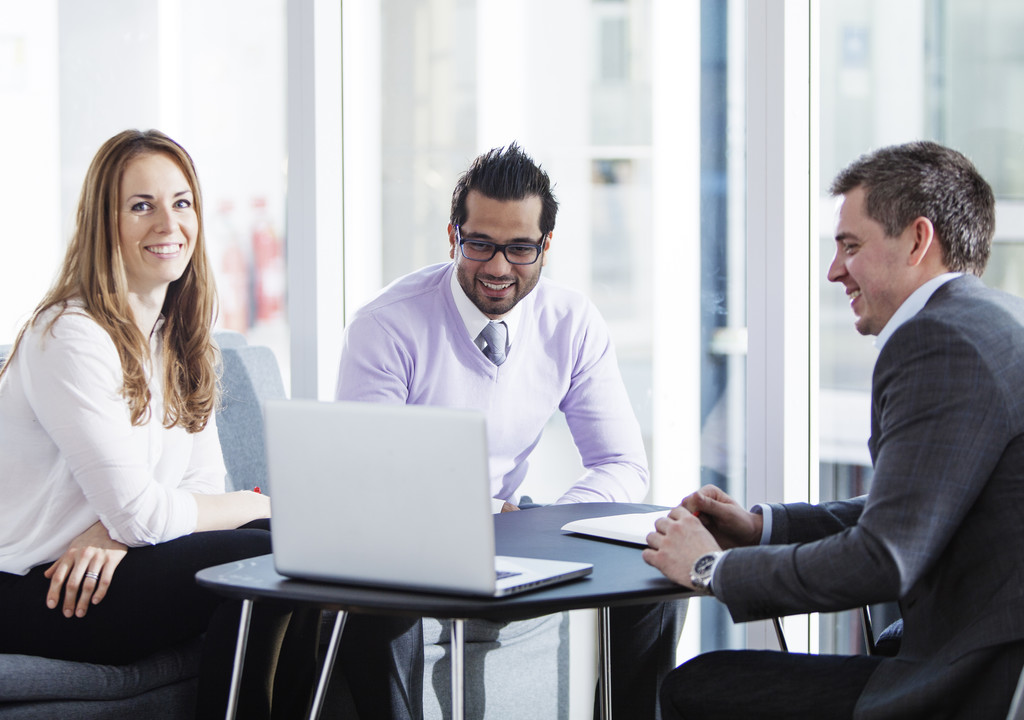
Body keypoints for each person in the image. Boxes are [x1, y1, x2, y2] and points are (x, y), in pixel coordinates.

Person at [644, 141, 1024, 719]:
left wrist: (710, 568)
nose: (834, 270)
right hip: (979, 652)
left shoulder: (939, 342)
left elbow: (883, 556)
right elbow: (909, 510)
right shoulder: (994, 321)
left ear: (918, 240)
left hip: (970, 680)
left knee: (698, 685)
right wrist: (759, 528)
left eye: (851, 246)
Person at [334, 142, 686, 719]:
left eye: (520, 248)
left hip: (516, 531)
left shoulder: (571, 322)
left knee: (658, 565)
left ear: (545, 246)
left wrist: (550, 523)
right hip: (409, 541)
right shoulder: (387, 325)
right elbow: (366, 480)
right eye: (480, 245)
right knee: (379, 596)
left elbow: (622, 464)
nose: (498, 268)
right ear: (454, 237)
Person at [0, 129, 319, 719]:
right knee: (277, 548)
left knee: (302, 553)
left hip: (108, 563)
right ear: (106, 223)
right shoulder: (70, 334)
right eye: (140, 206)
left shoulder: (179, 339)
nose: (168, 224)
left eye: (181, 202)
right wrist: (258, 503)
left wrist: (118, 530)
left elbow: (192, 490)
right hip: (42, 586)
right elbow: (146, 511)